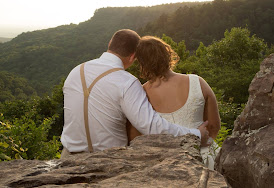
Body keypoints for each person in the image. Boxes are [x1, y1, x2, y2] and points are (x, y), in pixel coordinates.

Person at [60, 29, 209, 158]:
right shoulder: (127, 82)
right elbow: (151, 126)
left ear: (110, 46)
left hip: (67, 159)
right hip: (107, 160)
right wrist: (195, 134)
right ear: (132, 57)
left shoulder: (75, 71)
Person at [128, 36, 221, 170]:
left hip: (165, 164)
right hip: (206, 158)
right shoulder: (197, 82)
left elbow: (134, 137)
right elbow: (213, 126)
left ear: (142, 63)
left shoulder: (140, 93)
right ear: (167, 54)